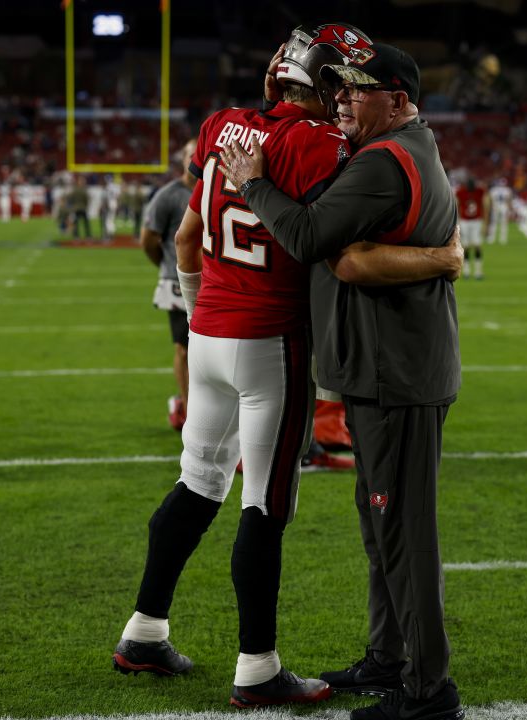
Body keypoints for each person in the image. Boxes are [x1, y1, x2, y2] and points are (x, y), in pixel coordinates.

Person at [113, 23, 374, 709]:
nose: (347, 100)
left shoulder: (218, 127)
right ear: (320, 86)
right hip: (270, 342)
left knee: (198, 484)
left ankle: (145, 630)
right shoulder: (323, 144)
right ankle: (258, 667)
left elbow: (185, 235)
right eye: (341, 86)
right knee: (264, 505)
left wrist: (202, 314)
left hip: (209, 333)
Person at [219, 41, 465, 720]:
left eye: (361, 89)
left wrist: (253, 182)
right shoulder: (403, 147)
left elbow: (303, 235)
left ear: (399, 98)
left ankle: (428, 690)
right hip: (383, 368)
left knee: (405, 533)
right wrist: (426, 258)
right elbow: (345, 257)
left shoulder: (387, 161)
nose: (345, 100)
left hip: (397, 374)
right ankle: (389, 659)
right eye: (341, 91)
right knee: (381, 521)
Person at [139, 138, 197, 432]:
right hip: (178, 281)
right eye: (190, 154)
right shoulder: (168, 195)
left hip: (213, 282)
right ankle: (188, 409)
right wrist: (168, 268)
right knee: (185, 348)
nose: (195, 158)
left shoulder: (215, 188)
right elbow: (148, 240)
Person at [455, 178, 487, 280]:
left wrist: (485, 223)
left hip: (476, 221)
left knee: (477, 245)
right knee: (466, 246)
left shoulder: (480, 191)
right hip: (465, 221)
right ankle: (467, 271)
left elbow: (485, 204)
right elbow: (457, 205)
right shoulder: (461, 192)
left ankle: (478, 272)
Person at [488, 178, 512, 245]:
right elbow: (508, 199)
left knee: (494, 222)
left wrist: (492, 206)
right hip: (503, 206)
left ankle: (492, 238)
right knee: (503, 223)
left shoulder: (494, 190)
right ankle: (502, 239)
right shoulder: (507, 190)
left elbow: (491, 199)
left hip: (497, 206)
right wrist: (509, 208)